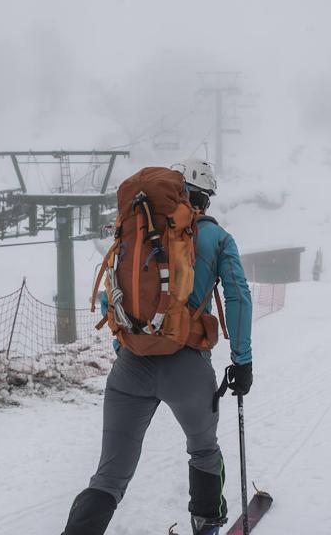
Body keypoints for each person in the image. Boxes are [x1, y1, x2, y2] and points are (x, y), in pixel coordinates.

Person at [62, 158, 254, 535]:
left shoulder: (137, 228)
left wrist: (132, 346)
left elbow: (112, 298)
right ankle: (207, 529)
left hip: (131, 367)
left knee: (108, 477)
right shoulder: (218, 239)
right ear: (203, 199)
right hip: (187, 367)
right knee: (203, 451)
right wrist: (242, 362)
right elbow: (238, 298)